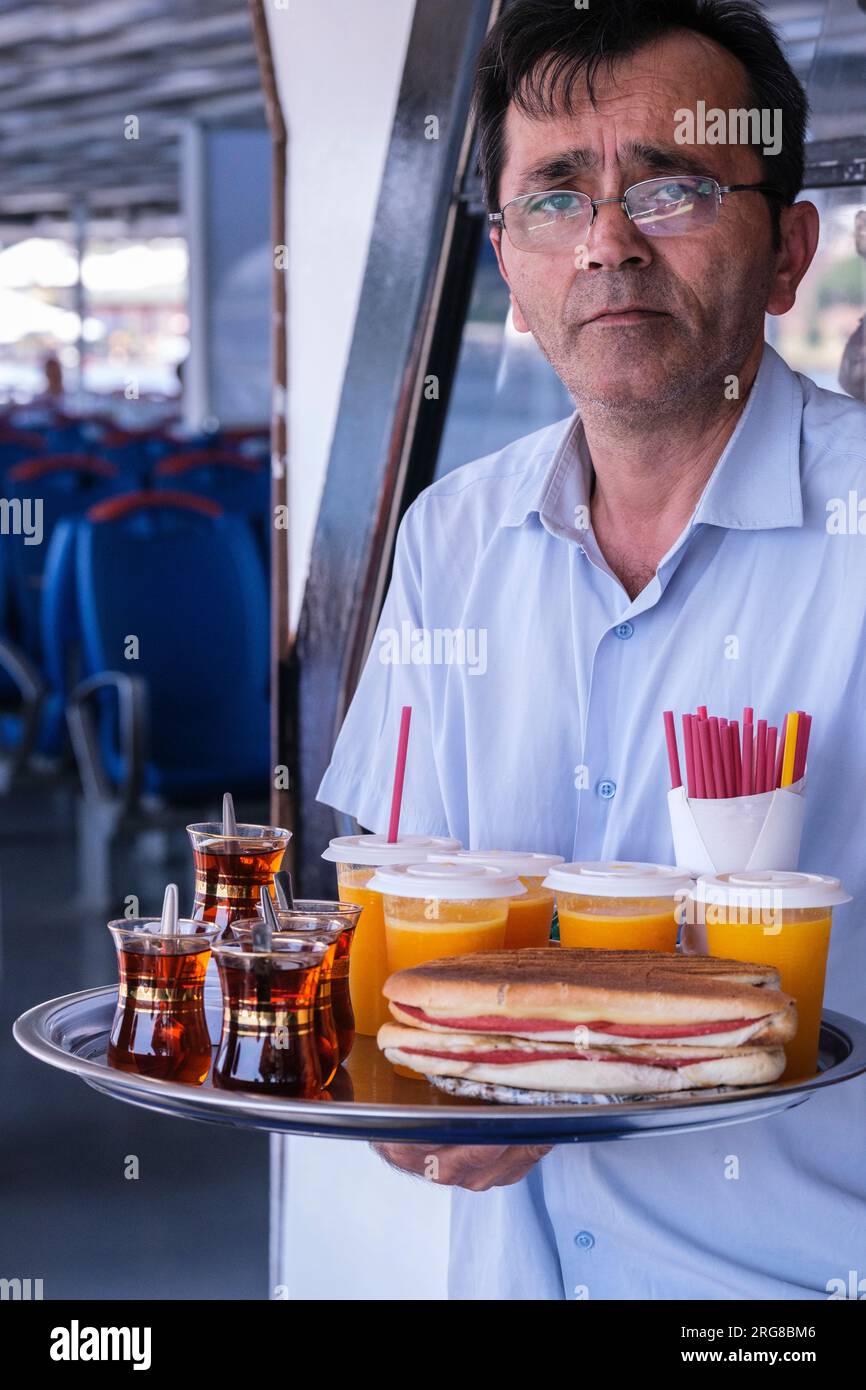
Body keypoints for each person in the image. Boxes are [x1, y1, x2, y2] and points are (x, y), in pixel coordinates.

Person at [318, 0, 866, 1299]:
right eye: (555, 198)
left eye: (671, 187)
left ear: (789, 250)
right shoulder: (452, 537)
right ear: (506, 261)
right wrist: (403, 1083)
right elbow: (405, 913)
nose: (608, 241)